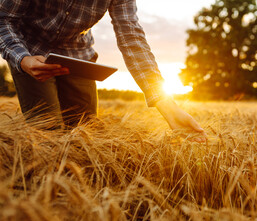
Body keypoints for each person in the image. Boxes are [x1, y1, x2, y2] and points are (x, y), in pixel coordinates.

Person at [0, 0, 206, 141]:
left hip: (77, 54)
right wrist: (22, 58)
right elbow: (3, 18)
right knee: (47, 134)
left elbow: (131, 38)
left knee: (85, 135)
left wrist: (167, 106)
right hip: (29, 50)